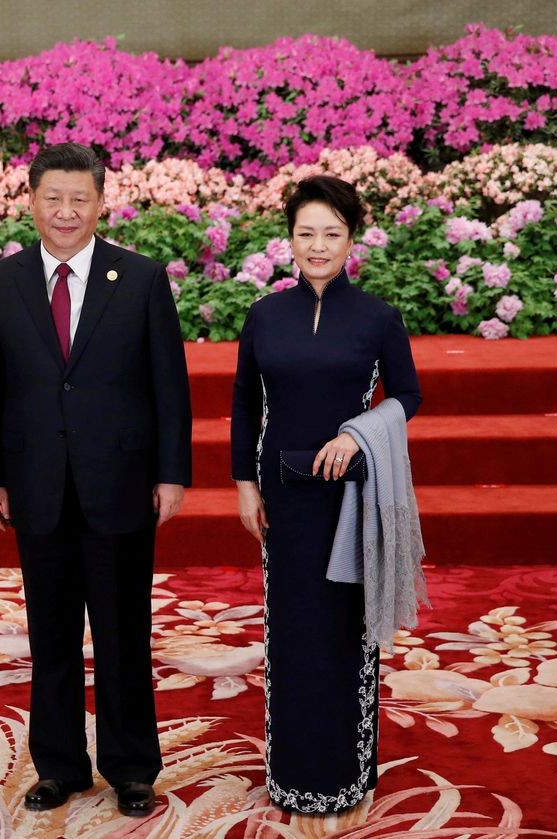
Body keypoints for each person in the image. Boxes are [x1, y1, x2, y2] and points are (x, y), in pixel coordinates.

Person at [0, 142, 192, 819]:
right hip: (37, 486)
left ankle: (131, 767)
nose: (65, 211)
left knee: (123, 634)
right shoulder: (3, 282)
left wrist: (171, 472)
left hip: (119, 482)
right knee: (52, 635)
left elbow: (168, 384)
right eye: (53, 198)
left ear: (101, 202)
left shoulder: (142, 278)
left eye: (79, 198)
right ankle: (60, 765)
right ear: (32, 202)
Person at [231, 175, 421, 813]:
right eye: (306, 233)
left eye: (331, 234)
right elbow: (243, 408)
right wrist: (243, 486)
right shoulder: (265, 316)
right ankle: (291, 772)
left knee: (344, 629)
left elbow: (408, 395)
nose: (318, 246)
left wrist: (361, 434)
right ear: (289, 239)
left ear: (351, 241)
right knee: (291, 628)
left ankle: (346, 771)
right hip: (283, 499)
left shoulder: (376, 317)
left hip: (351, 500)